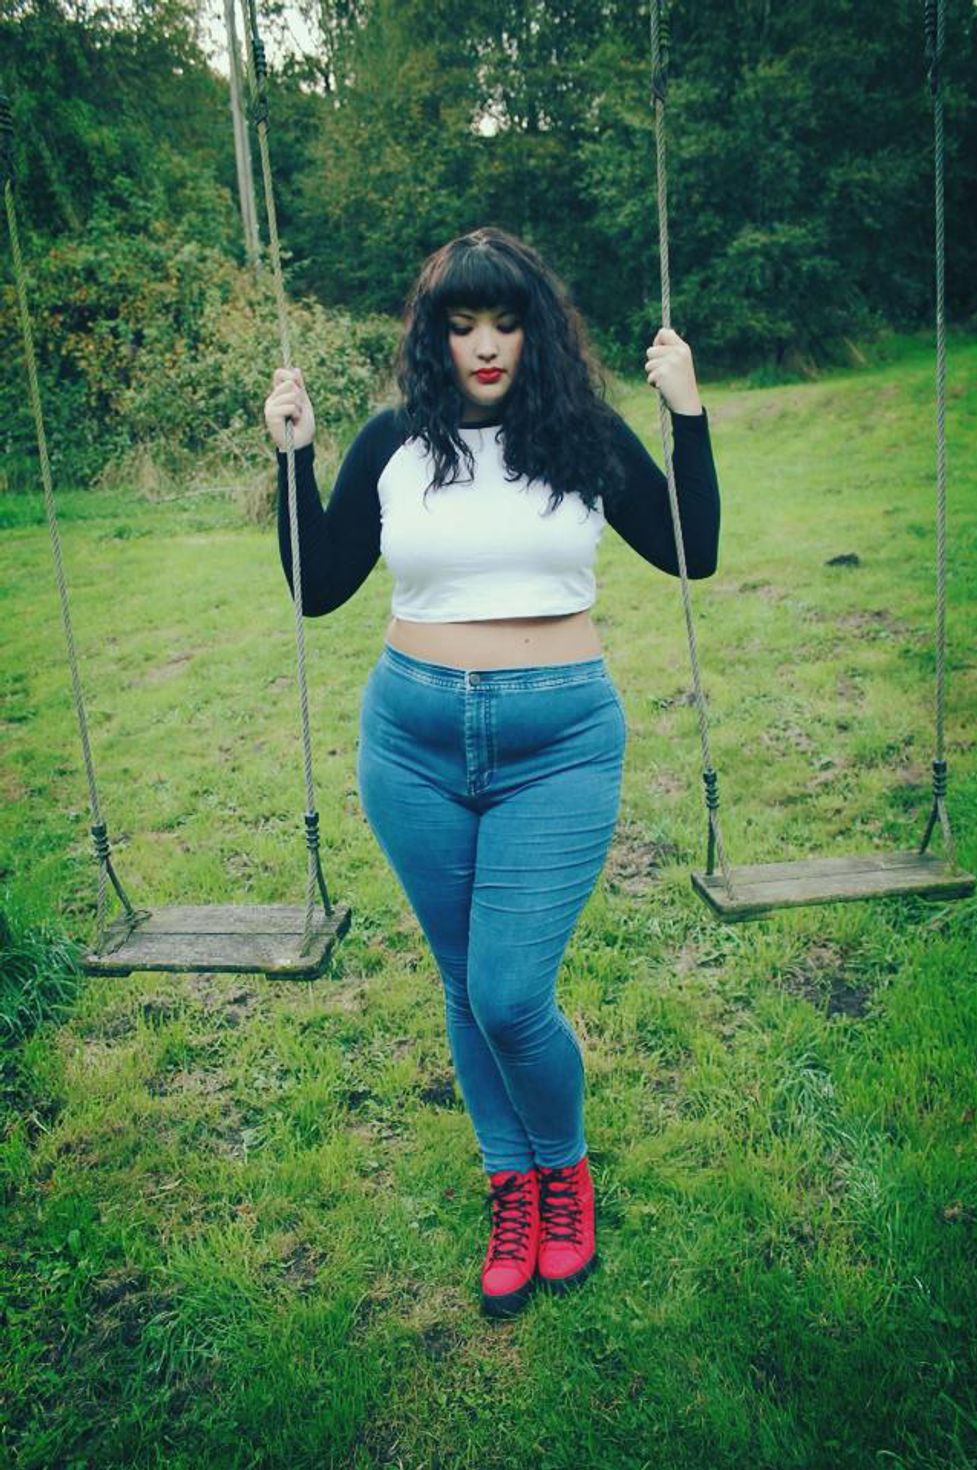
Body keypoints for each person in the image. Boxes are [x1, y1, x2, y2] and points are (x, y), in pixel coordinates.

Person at [263, 226, 720, 1320]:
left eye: (504, 323)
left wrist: (688, 413)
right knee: (463, 980)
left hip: (557, 744)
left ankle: (562, 1170)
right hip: (410, 744)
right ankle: (510, 1186)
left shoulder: (581, 435)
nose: (483, 345)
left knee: (509, 994)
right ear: (432, 335)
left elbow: (690, 551)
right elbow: (319, 588)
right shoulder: (393, 443)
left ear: (535, 332)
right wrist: (294, 457)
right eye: (461, 324)